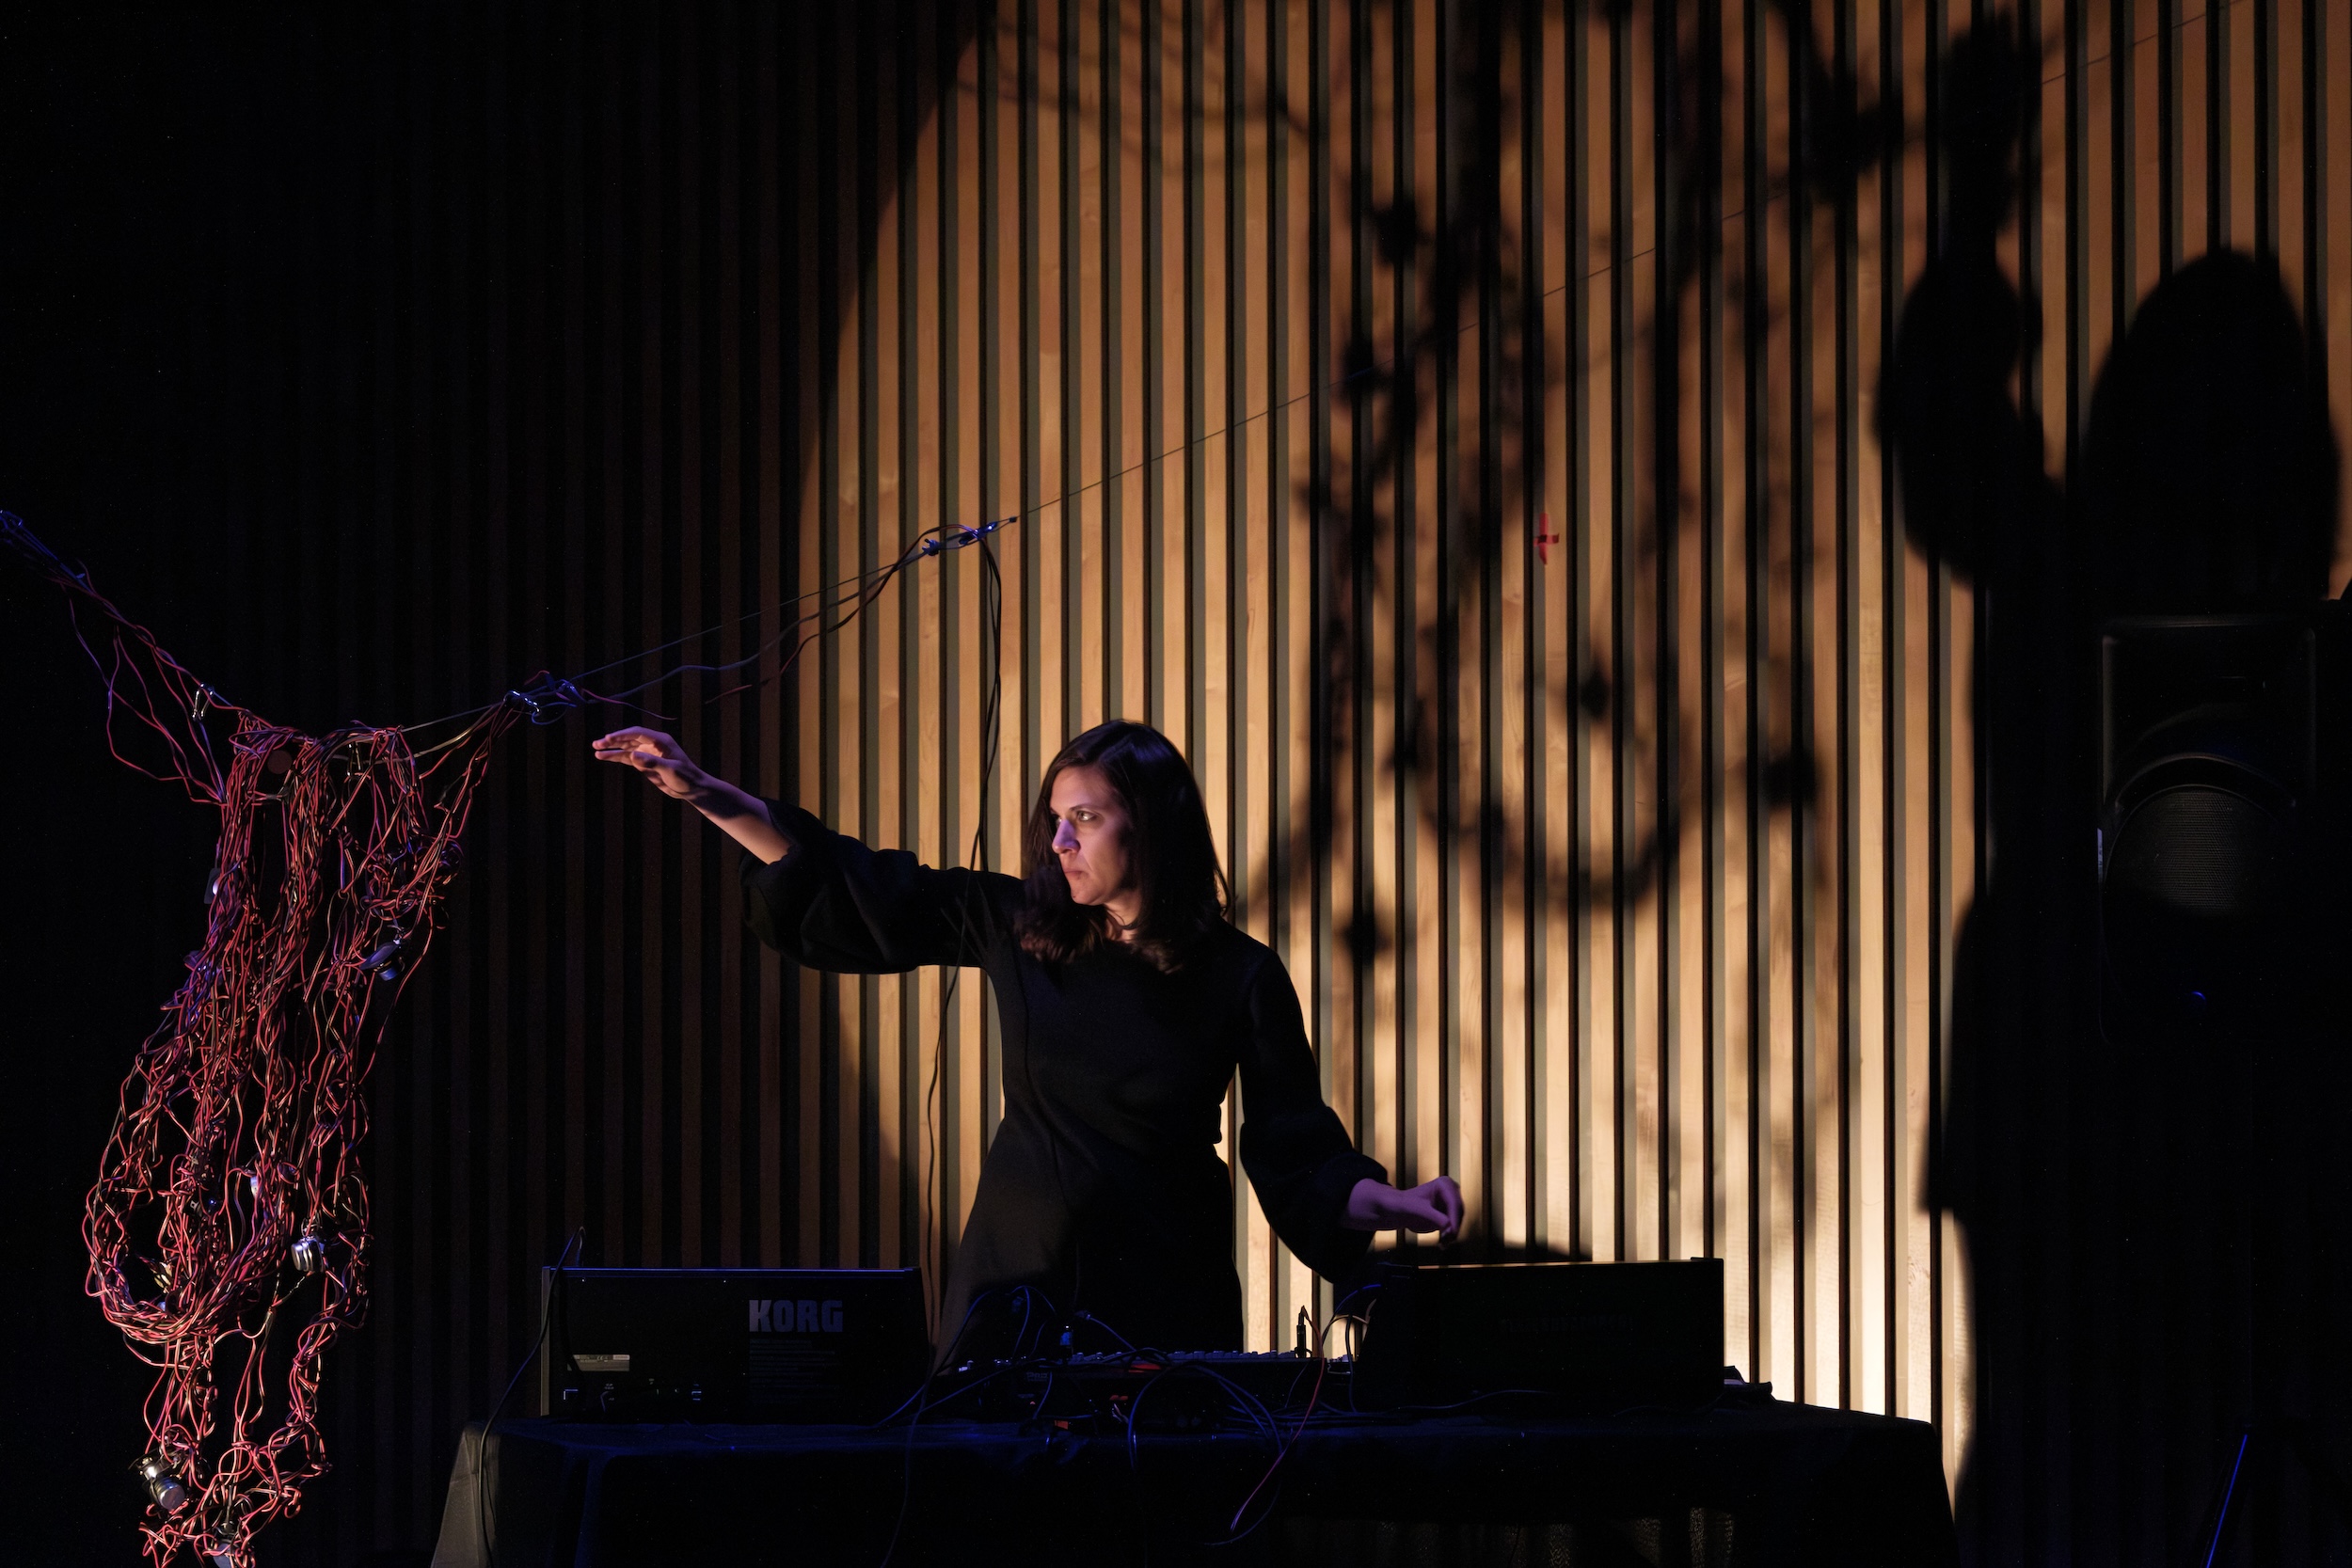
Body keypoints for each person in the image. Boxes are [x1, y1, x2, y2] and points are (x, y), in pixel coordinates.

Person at [594, 718, 1463, 1355]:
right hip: (1014, 1295)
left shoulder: (1241, 973)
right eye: (1056, 817)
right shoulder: (1018, 923)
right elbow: (860, 887)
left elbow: (1295, 1150)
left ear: (1148, 823)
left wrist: (1395, 1203)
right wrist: (708, 792)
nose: (1059, 840)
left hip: (1164, 1302)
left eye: (1083, 817)